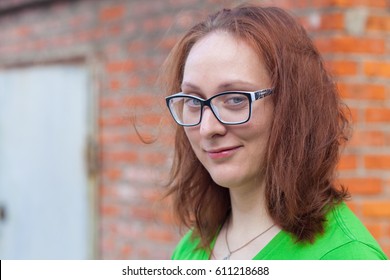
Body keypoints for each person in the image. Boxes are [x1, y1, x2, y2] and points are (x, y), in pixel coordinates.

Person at [161, 4, 387, 260]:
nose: (207, 128)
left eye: (235, 99)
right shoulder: (191, 249)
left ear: (291, 106)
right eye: (193, 101)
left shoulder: (347, 259)